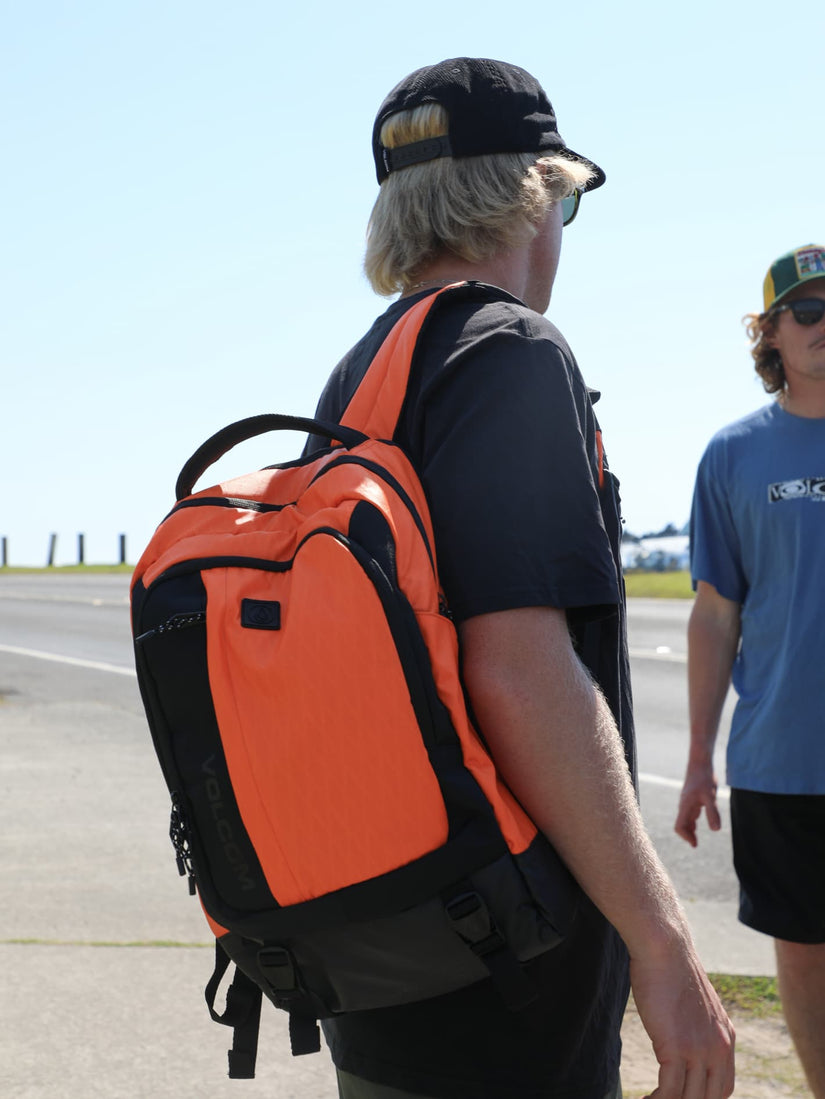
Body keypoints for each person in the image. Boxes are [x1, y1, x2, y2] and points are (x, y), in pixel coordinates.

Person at [310, 57, 734, 1099]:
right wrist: (663, 940)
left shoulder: (361, 375)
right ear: (531, 195)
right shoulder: (511, 352)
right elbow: (519, 670)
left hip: (381, 947)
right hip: (507, 971)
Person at [675, 243, 825, 1097]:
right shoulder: (731, 456)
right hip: (780, 763)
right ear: (767, 332)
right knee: (804, 962)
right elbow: (715, 614)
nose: (821, 325)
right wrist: (698, 757)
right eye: (804, 311)